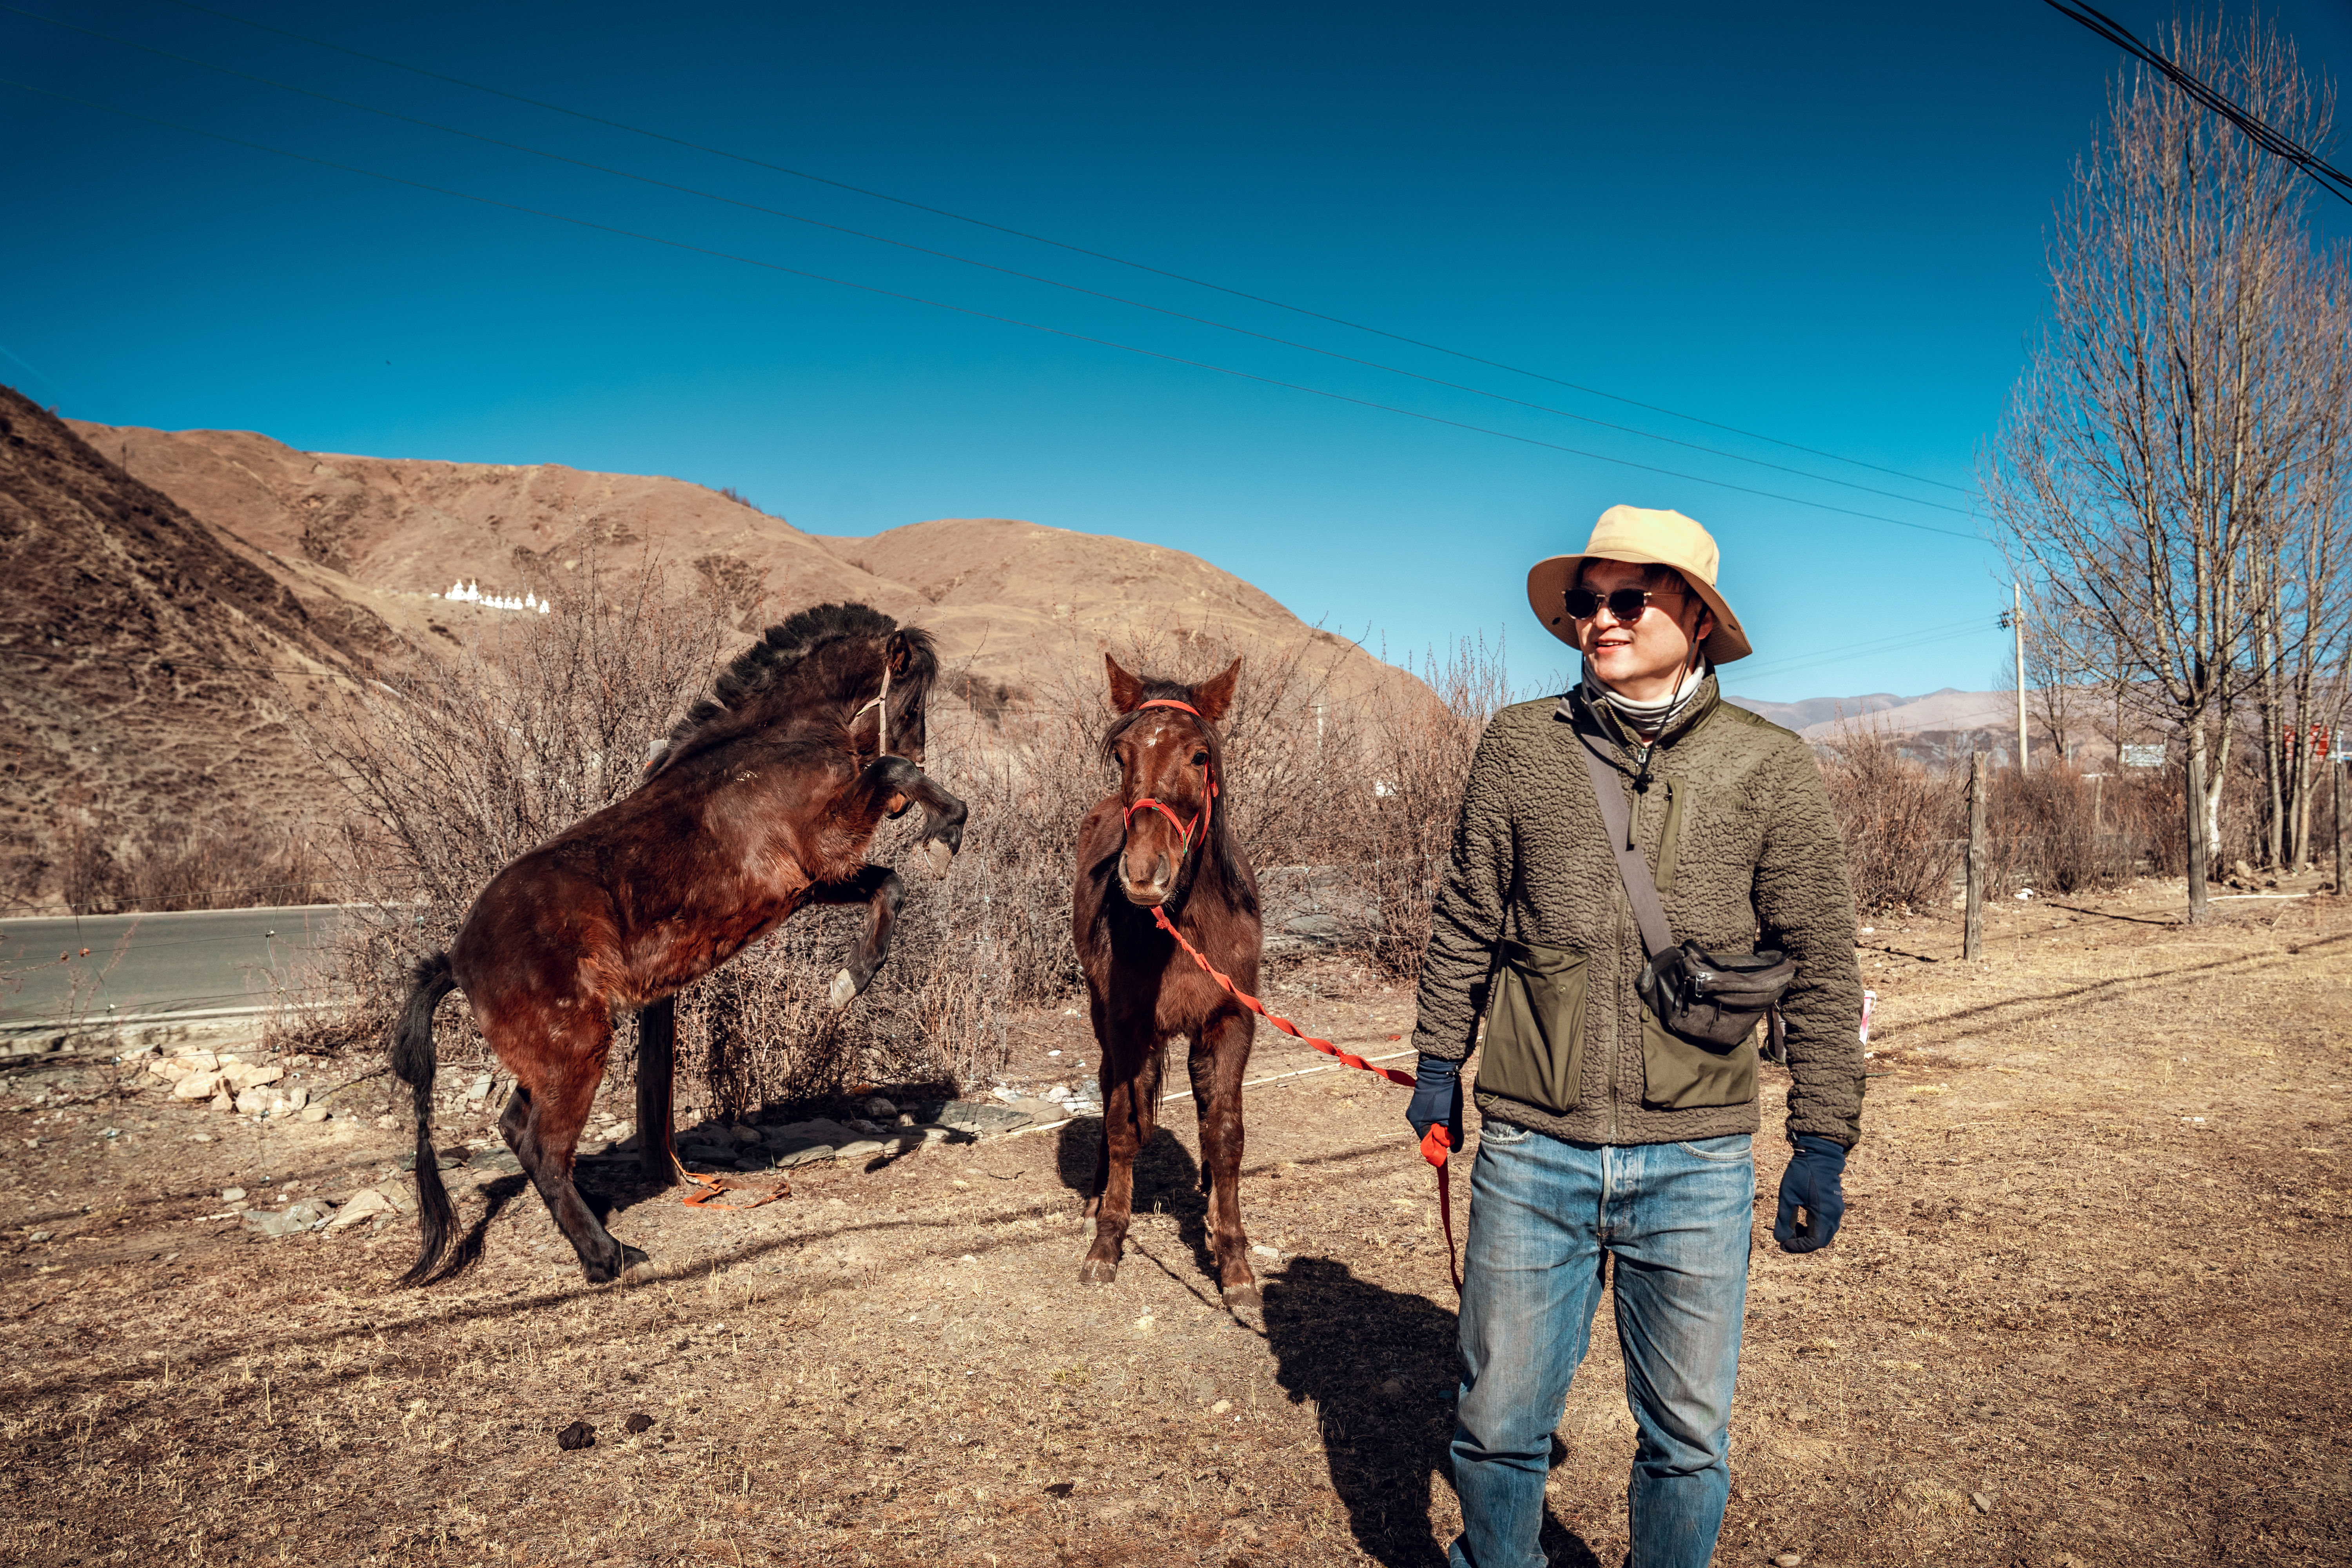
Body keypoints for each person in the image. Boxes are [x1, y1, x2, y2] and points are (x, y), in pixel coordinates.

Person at [1406, 505, 1864, 1568]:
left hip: (1698, 1159)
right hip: (1530, 1150)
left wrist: (1824, 1140)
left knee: (1689, 1444)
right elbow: (1469, 913)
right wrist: (1439, 1063)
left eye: (1628, 599)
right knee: (1496, 1430)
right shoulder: (1522, 746)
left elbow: (1821, 961)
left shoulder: (1769, 766)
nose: (1599, 620)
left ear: (1698, 618)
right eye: (1585, 601)